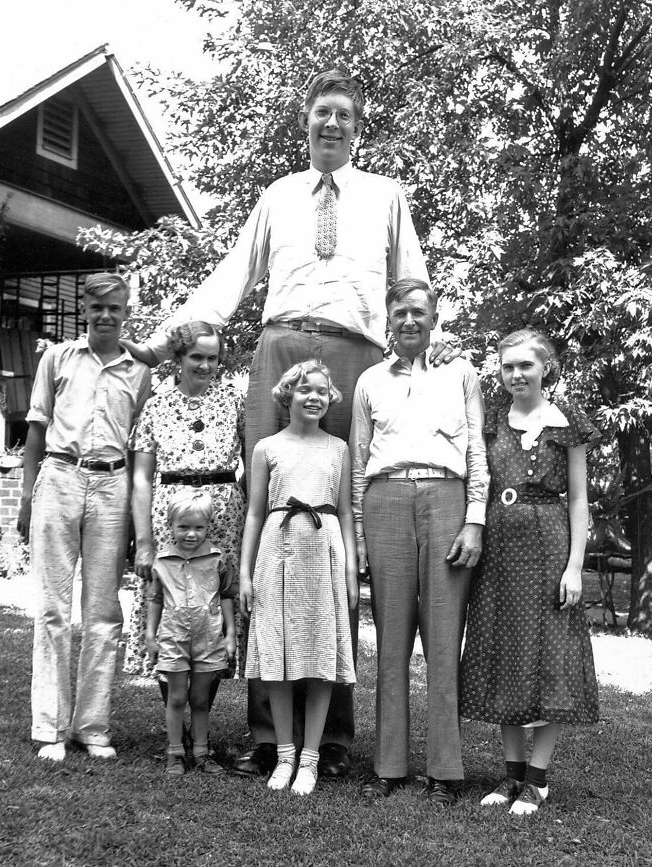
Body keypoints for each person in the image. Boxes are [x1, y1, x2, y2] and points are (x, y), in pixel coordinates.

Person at [123, 69, 461, 779]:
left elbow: (412, 283)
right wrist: (162, 339)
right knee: (271, 516)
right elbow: (231, 276)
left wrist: (425, 366)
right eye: (320, 113)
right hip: (278, 346)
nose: (330, 124)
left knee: (333, 524)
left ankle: (330, 737)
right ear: (305, 122)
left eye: (343, 115)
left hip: (354, 352)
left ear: (358, 128)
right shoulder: (277, 195)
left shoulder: (387, 195)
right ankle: (267, 733)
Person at [350, 278, 488, 804]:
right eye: (399, 313)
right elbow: (359, 460)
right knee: (391, 639)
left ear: (434, 318)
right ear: (389, 320)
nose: (409, 321)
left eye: (418, 312)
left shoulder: (462, 372)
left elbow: (476, 451)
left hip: (447, 498)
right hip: (385, 499)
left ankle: (445, 770)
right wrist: (359, 534)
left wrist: (474, 520)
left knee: (443, 637)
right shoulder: (370, 380)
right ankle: (389, 766)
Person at [459, 329, 600, 815]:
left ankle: (537, 781)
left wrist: (574, 567)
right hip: (499, 551)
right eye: (507, 366)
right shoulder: (491, 420)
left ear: (546, 368)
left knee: (549, 657)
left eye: (526, 365)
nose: (516, 374)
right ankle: (512, 774)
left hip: (550, 549)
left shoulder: (567, 422)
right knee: (506, 654)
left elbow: (579, 498)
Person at [17, 272, 151, 761]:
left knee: (103, 611)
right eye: (97, 308)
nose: (105, 316)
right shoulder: (57, 358)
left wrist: (138, 519)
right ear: (85, 311)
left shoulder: (139, 370)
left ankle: (92, 727)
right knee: (53, 607)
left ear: (126, 312)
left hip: (113, 483)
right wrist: (28, 495)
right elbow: (36, 429)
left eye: (114, 308)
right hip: (60, 476)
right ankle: (50, 727)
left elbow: (139, 446)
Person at [239, 360, 358, 796]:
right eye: (305, 389)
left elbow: (344, 511)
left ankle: (310, 759)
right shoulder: (267, 448)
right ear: (287, 395)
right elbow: (255, 513)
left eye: (322, 391)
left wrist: (350, 568)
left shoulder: (338, 449)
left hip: (324, 553)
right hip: (277, 552)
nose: (314, 397)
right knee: (278, 656)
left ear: (331, 399)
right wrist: (246, 572)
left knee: (320, 655)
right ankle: (285, 753)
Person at [124, 321, 245, 709]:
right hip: (170, 517)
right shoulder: (156, 405)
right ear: (178, 358)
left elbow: (255, 460)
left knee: (212, 608)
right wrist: (144, 542)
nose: (206, 365)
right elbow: (141, 478)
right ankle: (176, 720)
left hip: (223, 520)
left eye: (213, 358)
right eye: (196, 357)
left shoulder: (234, 401)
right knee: (172, 608)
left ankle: (201, 721)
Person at [145, 490, 236, 777]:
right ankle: (175, 753)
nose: (191, 534)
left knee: (199, 699)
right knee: (176, 697)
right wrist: (150, 636)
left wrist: (230, 634)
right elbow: (155, 599)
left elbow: (226, 596)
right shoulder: (162, 562)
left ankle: (201, 753)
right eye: (183, 527)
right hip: (173, 639)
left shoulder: (217, 559)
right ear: (171, 525)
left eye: (198, 527)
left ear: (208, 525)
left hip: (209, 637)